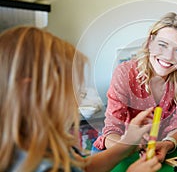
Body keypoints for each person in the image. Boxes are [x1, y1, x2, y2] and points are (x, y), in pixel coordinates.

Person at [0, 26, 161, 172]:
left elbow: (84, 168)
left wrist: (127, 143)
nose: (77, 101)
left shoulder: (44, 141)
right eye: (71, 90)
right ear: (30, 90)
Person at [93, 12, 177, 162]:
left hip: (156, 154)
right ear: (151, 42)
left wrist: (166, 144)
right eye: (162, 45)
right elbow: (112, 129)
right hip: (116, 152)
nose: (168, 57)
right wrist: (128, 147)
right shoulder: (125, 73)